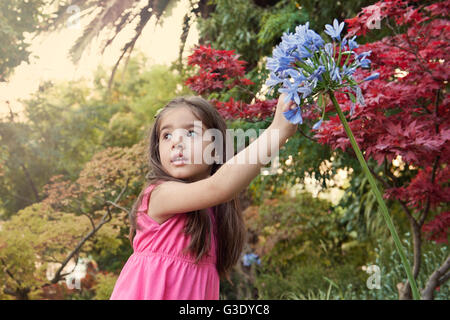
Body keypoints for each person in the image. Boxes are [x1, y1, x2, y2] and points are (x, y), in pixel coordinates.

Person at [109, 93, 297, 300]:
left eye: (191, 133)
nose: (176, 142)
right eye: (167, 135)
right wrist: (277, 132)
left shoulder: (213, 211)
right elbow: (219, 186)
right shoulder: (159, 194)